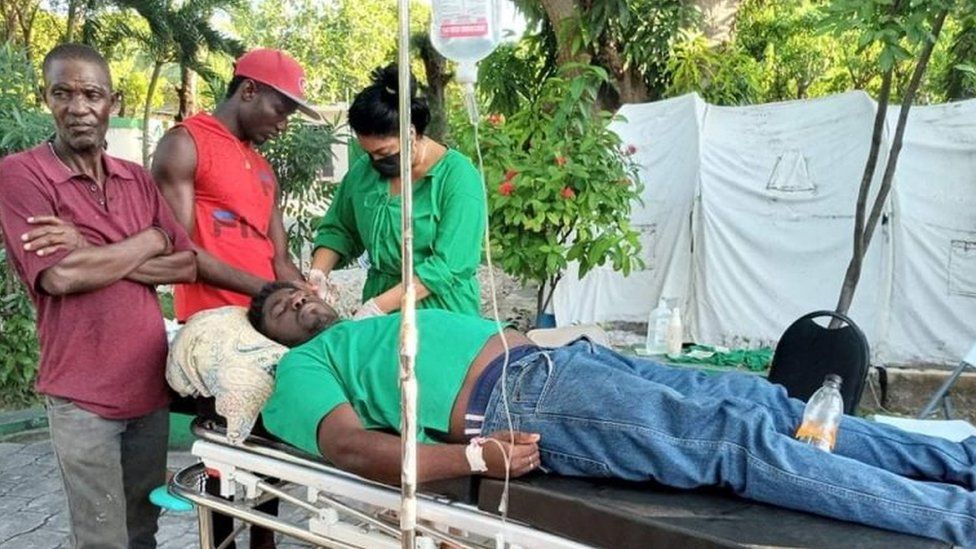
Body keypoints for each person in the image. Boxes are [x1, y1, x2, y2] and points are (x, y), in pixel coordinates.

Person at [247, 282, 976, 547]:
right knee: (736, 442)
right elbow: (347, 447)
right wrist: (474, 459)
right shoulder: (300, 370)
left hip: (562, 362)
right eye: (281, 309)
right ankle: (957, 521)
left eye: (298, 292)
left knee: (766, 402)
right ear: (271, 336)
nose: (299, 302)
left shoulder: (370, 312)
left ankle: (963, 464)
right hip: (520, 400)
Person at [0, 44, 197, 548]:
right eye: (62, 93)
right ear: (46, 99)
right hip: (82, 397)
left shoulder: (134, 178)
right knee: (102, 537)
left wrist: (91, 248)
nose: (78, 107)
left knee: (143, 527)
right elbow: (60, 277)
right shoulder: (22, 174)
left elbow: (186, 261)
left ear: (113, 101)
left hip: (148, 390)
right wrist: (150, 240)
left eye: (91, 94)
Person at [151, 48, 318, 549]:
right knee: (227, 451)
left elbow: (279, 255)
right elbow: (181, 250)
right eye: (280, 109)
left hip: (267, 323)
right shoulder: (184, 145)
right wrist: (268, 291)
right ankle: (219, 541)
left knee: (271, 445)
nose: (284, 123)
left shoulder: (264, 168)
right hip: (217, 326)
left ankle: (264, 540)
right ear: (248, 90)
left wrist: (301, 292)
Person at [308, 65, 486, 319]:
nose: (375, 162)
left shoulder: (458, 178)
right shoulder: (365, 172)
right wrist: (318, 273)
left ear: (411, 133)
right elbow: (339, 229)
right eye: (368, 154)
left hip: (441, 310)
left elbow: (449, 267)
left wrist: (377, 307)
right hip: (382, 301)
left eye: (383, 153)